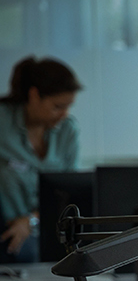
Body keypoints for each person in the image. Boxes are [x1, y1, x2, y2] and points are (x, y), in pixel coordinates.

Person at [0, 56, 81, 263]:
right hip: (7, 231)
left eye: (68, 106)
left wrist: (31, 220)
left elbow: (71, 190)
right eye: (57, 106)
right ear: (34, 95)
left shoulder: (68, 131)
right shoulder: (3, 122)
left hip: (50, 230)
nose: (64, 114)